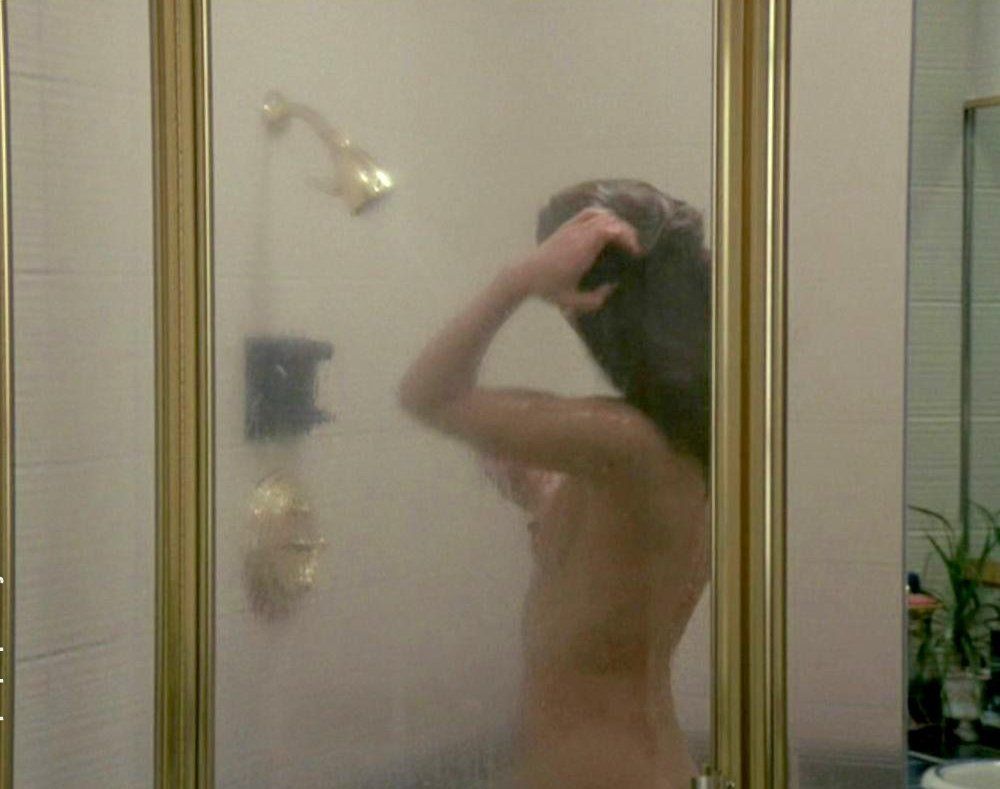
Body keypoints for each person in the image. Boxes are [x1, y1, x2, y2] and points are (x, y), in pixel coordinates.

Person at [399, 179, 711, 788]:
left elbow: (428, 395)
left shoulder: (623, 442)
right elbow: (620, 580)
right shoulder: (674, 446)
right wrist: (546, 501)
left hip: (604, 774)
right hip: (640, 766)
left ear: (592, 306)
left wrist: (517, 281)